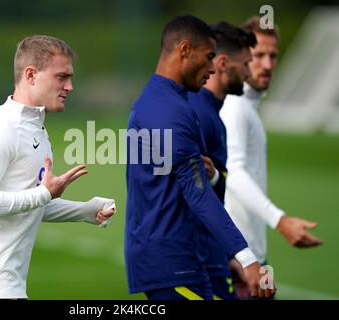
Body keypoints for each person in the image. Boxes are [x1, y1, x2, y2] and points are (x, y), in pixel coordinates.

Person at [0, 35, 115, 300]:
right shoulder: (0, 128)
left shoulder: (36, 128)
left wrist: (85, 211)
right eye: (61, 77)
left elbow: (27, 204)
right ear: (31, 75)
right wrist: (44, 193)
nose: (69, 87)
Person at [125, 15, 275, 301]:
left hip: (183, 263)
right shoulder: (167, 110)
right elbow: (198, 194)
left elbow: (186, 188)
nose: (211, 68)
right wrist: (247, 258)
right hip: (173, 266)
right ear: (184, 50)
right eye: (207, 58)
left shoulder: (168, 103)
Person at [220, 17, 323, 292]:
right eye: (259, 55)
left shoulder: (247, 107)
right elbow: (235, 172)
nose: (267, 65)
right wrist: (281, 220)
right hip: (238, 260)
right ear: (242, 55)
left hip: (248, 257)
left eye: (273, 56)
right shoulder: (236, 105)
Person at [188, 21, 257, 300]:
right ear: (224, 63)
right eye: (246, 64)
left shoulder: (213, 115)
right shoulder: (197, 114)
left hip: (212, 258)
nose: (249, 73)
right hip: (196, 264)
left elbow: (212, 190)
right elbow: (194, 196)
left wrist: (227, 255)